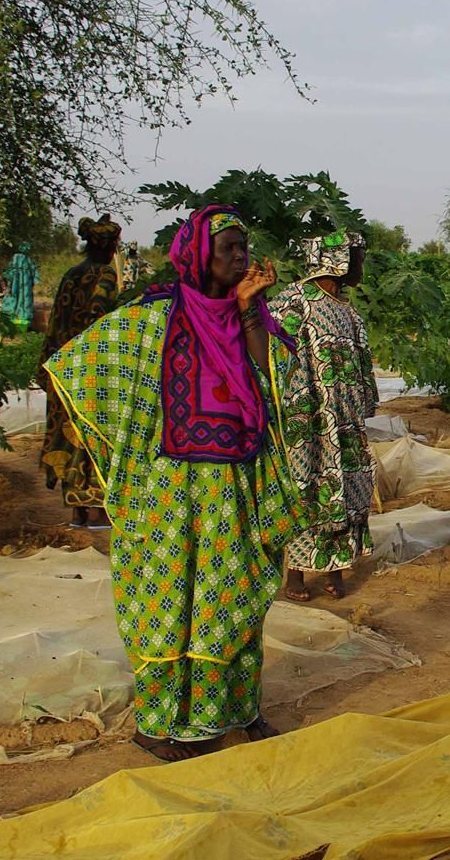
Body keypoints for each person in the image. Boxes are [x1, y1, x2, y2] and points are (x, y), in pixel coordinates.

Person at [43, 204, 301, 761]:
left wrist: (251, 309)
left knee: (230, 598)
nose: (242, 257)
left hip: (234, 484)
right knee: (169, 601)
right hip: (169, 490)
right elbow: (81, 363)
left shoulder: (247, 318)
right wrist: (122, 442)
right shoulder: (154, 316)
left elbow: (272, 380)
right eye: (230, 247)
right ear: (199, 253)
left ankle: (234, 711)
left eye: (244, 248)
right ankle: (156, 725)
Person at [269, 230, 378, 602]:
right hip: (307, 419)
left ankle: (334, 566)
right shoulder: (294, 301)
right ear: (337, 259)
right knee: (307, 485)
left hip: (343, 420)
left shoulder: (347, 311)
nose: (360, 265)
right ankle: (295, 574)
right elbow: (271, 355)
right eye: (356, 256)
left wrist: (362, 407)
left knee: (347, 485)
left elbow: (362, 364)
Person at [39, 216, 121, 528]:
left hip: (62, 367)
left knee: (67, 433)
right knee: (93, 432)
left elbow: (57, 323)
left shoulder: (72, 274)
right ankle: (97, 509)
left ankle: (76, 510)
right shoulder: (104, 276)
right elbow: (99, 323)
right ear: (109, 246)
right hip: (90, 371)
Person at [0, 241, 37, 330]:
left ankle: (10, 321)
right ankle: (23, 321)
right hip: (25, 287)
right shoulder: (28, 260)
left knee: (13, 300)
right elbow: (34, 275)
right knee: (24, 301)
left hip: (14, 285)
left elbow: (9, 272)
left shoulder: (15, 258)